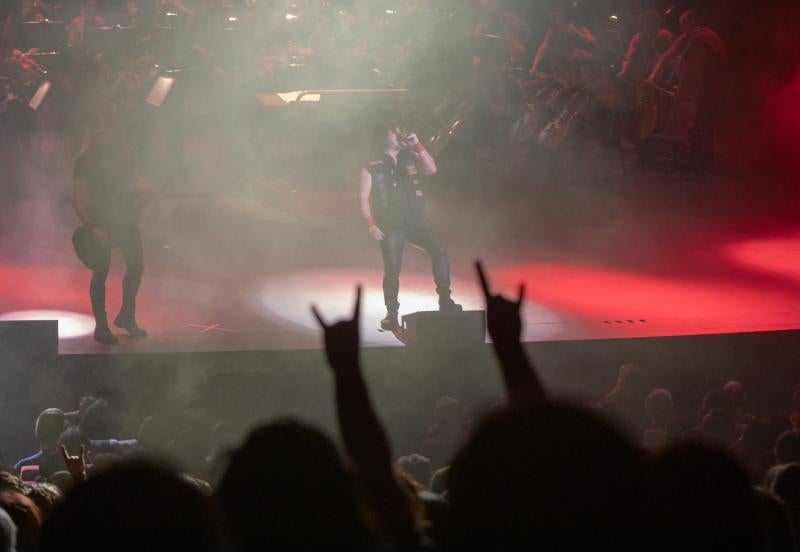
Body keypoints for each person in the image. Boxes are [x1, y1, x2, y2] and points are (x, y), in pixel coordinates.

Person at [359, 119, 461, 330]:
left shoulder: (410, 157)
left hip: (416, 220)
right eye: (394, 132)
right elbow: (362, 196)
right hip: (390, 223)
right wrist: (371, 224)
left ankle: (445, 300)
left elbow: (431, 169)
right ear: (384, 135)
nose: (399, 134)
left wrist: (418, 144)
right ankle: (391, 314)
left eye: (400, 131)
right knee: (392, 268)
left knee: (438, 251)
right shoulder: (372, 164)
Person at [73, 111, 149, 345]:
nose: (104, 130)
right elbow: (78, 196)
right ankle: (101, 326)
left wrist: (144, 195)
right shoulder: (85, 160)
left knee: (136, 266)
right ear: (93, 131)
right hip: (101, 220)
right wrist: (90, 226)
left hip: (125, 220)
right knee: (101, 272)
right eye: (99, 126)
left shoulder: (125, 156)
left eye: (108, 125)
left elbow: (138, 185)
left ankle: (127, 316)